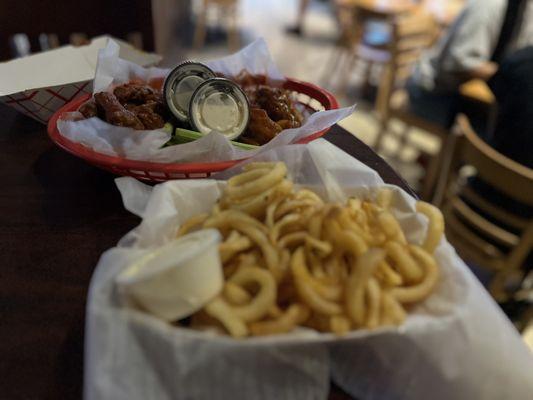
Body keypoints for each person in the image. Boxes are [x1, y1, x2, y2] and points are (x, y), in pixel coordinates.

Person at [407, 0, 533, 128]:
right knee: (501, 131)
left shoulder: (525, 9)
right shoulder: (488, 5)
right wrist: (512, 74)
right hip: (435, 92)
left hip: (466, 95)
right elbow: (459, 65)